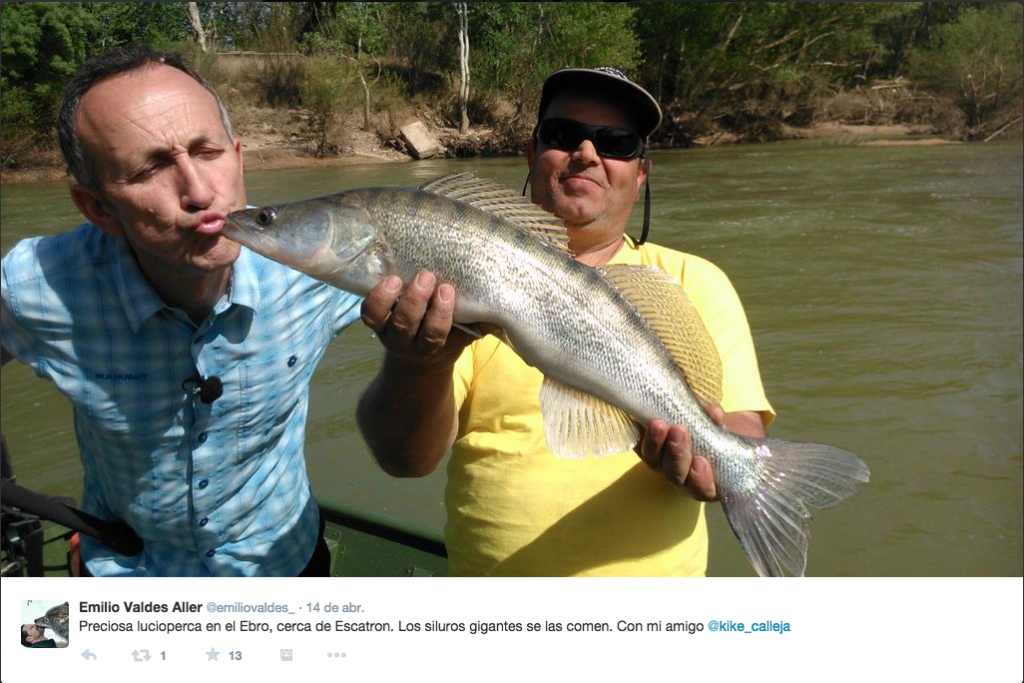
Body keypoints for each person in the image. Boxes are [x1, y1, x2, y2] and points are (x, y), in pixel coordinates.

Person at [357, 67, 774, 576]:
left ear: (640, 174)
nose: (587, 152)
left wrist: (718, 467)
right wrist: (415, 364)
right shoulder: (454, 279)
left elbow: (739, 428)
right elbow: (404, 461)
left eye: (616, 142)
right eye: (561, 135)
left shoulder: (694, 281)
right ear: (533, 157)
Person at [0, 45, 362, 576]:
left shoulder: (323, 264)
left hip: (285, 569)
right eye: (150, 168)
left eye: (207, 152)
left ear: (238, 158)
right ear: (98, 208)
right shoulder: (40, 286)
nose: (198, 192)